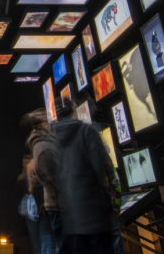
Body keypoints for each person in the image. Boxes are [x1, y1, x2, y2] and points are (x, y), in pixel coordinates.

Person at [54, 98, 115, 254]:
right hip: (94, 211)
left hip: (72, 216)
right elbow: (101, 167)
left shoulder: (54, 139)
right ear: (73, 109)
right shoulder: (87, 131)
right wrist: (111, 197)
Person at [20, 108, 62, 249]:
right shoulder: (43, 147)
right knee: (50, 244)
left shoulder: (43, 145)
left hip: (52, 204)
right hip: (57, 204)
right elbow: (55, 179)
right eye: (47, 120)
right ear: (42, 125)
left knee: (49, 243)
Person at [18, 155, 56, 254]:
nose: (27, 165)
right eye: (25, 163)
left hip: (42, 211)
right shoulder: (22, 179)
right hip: (29, 212)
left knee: (46, 240)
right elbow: (23, 194)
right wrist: (30, 183)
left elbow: (43, 194)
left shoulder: (40, 180)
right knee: (36, 242)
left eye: (29, 163)